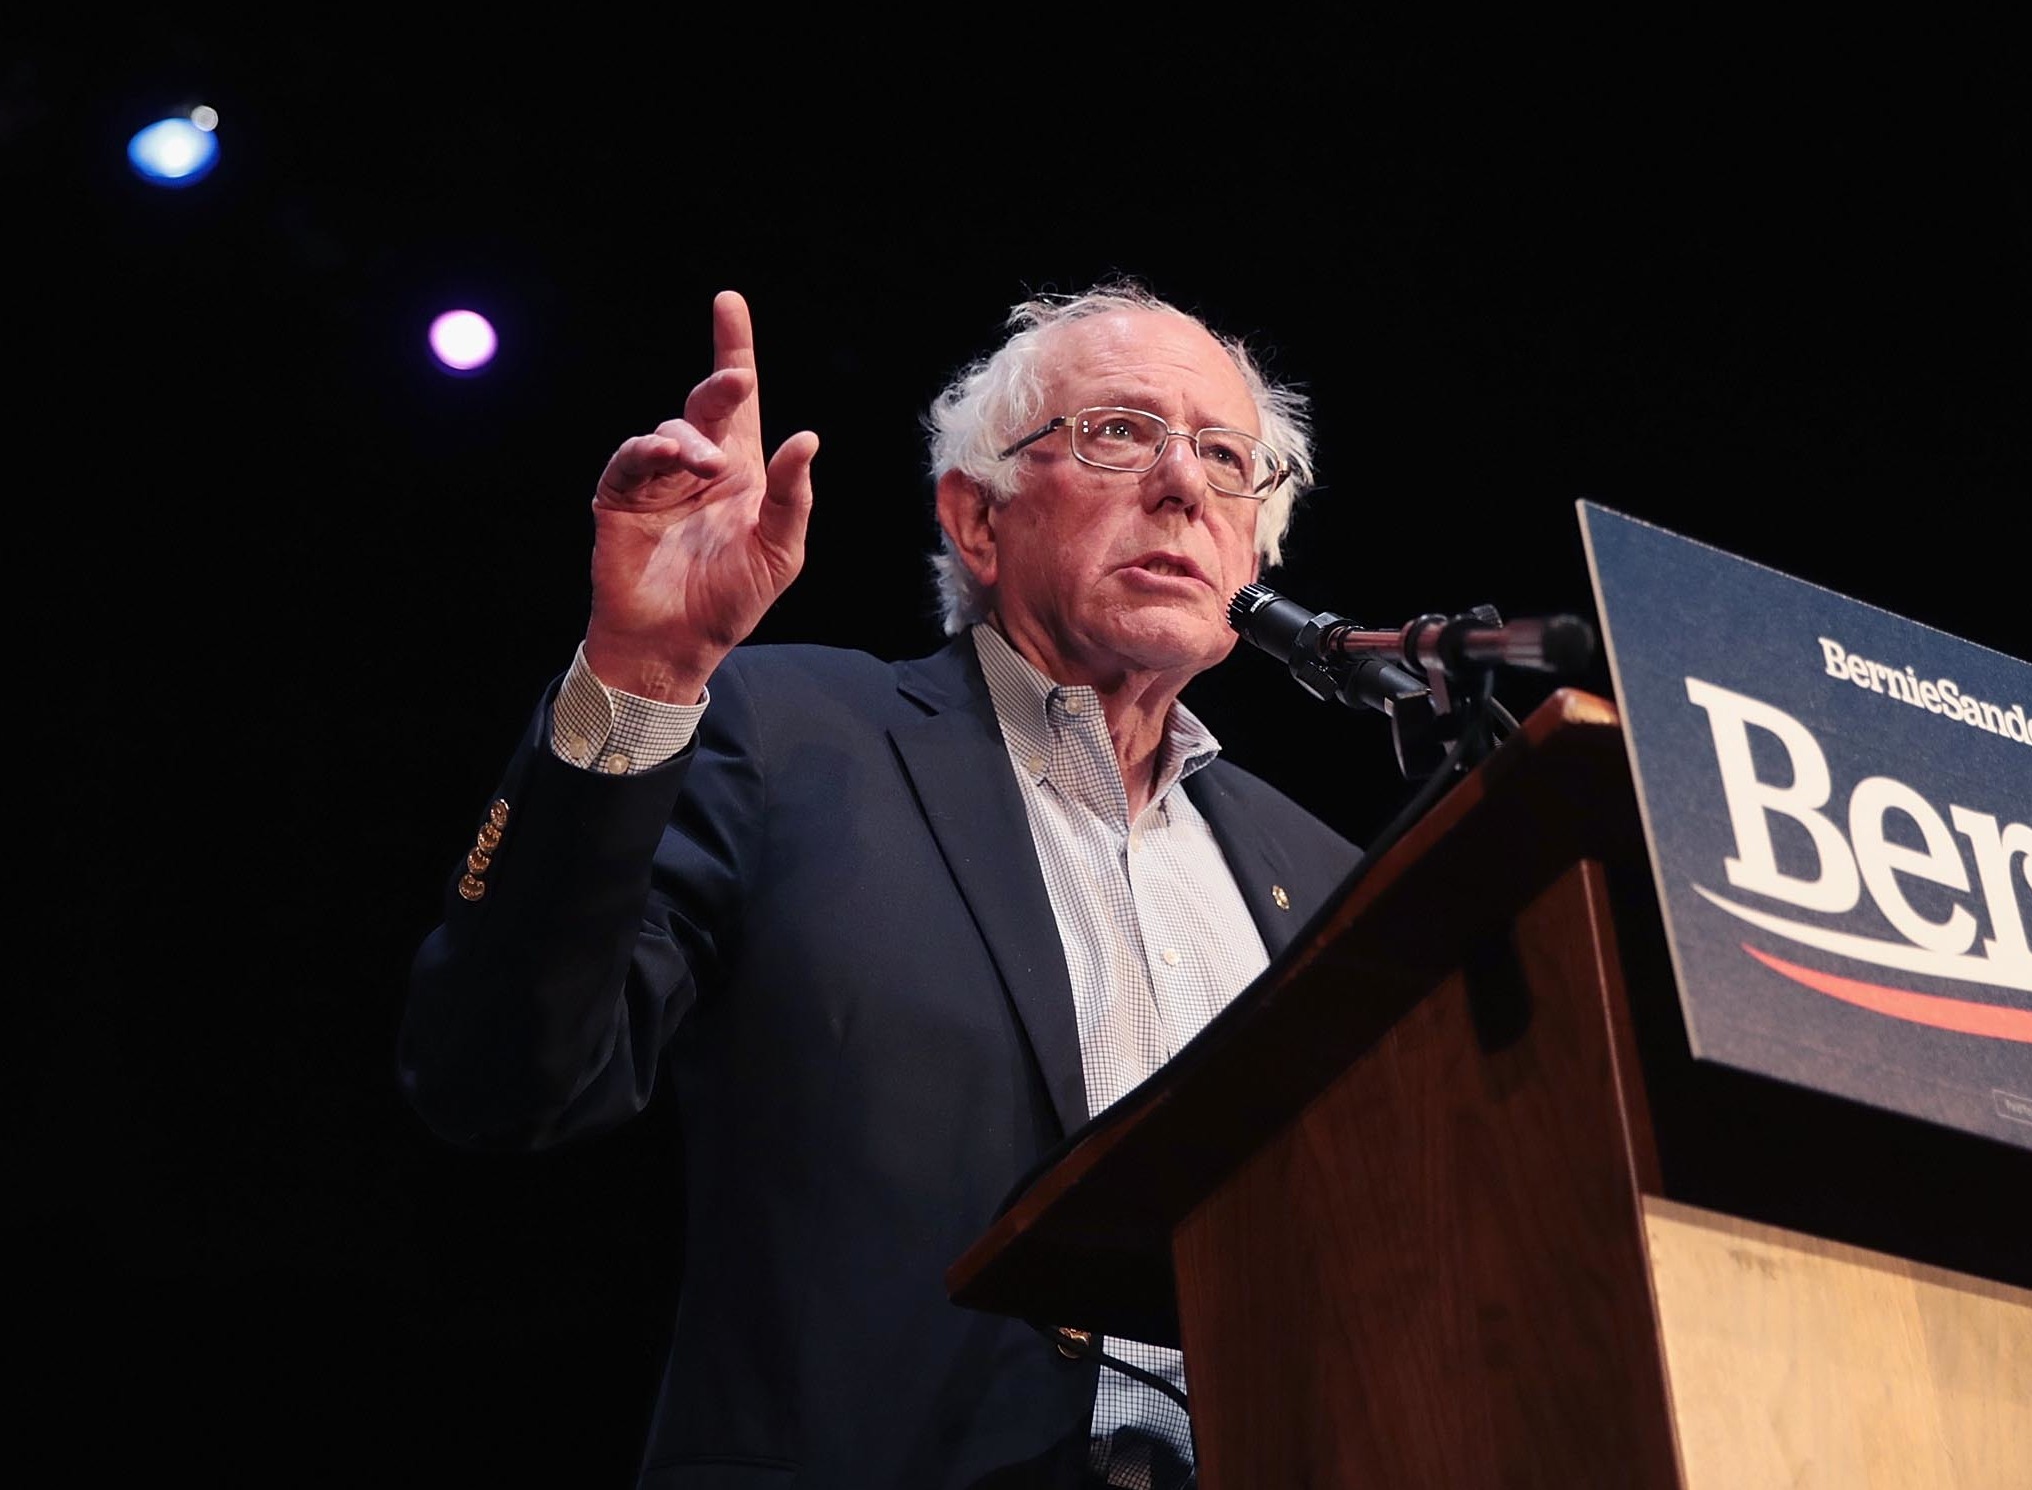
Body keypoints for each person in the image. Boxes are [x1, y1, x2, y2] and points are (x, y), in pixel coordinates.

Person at [400, 283, 1364, 1489]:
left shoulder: (1328, 881)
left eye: (1228, 459)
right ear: (976, 519)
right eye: (1119, 433)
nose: (1183, 485)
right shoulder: (791, 736)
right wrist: (641, 671)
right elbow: (500, 1077)